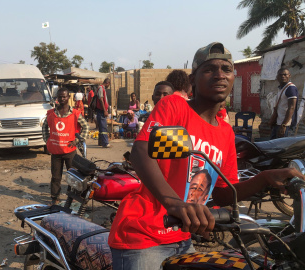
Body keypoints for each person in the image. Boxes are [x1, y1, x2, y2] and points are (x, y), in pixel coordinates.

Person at [108, 42, 304, 270]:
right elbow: (141, 152)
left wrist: (265, 177)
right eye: (209, 69)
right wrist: (174, 204)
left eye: (226, 69)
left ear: (233, 78)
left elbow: (222, 193)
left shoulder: (225, 133)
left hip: (181, 238)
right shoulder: (175, 107)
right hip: (144, 235)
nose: (220, 74)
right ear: (193, 80)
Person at [42, 87, 89, 205]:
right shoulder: (51, 113)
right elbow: (44, 127)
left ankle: (72, 196)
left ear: (68, 98)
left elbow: (86, 127)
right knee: (56, 177)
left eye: (64, 96)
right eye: (60, 97)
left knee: (73, 176)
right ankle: (55, 198)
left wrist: (77, 141)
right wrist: (48, 141)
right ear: (57, 98)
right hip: (56, 152)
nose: (62, 99)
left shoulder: (75, 114)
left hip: (70, 151)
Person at [269, 68, 298, 139]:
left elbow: (291, 107)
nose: (283, 76)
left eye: (285, 74)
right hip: (278, 123)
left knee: (281, 148)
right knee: (273, 146)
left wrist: (284, 125)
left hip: (285, 125)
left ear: (289, 76)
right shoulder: (281, 88)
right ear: (277, 77)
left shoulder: (291, 88)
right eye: (280, 75)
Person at [96, 78, 111, 148]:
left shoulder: (102, 88)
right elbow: (101, 100)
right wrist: (105, 110)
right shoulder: (101, 88)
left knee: (101, 128)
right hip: (101, 111)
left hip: (101, 110)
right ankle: (105, 143)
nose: (108, 86)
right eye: (109, 84)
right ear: (107, 83)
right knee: (103, 128)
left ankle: (101, 142)